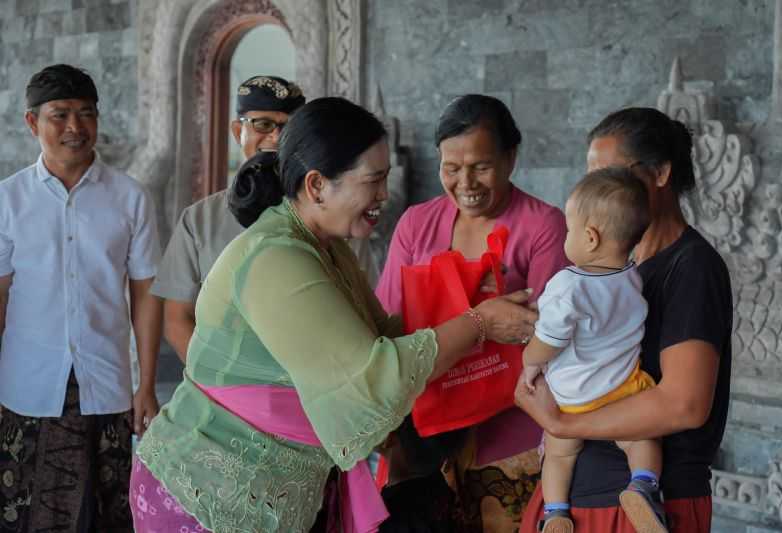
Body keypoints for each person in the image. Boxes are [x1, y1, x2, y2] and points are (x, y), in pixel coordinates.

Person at [129, 97, 538, 532]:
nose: (384, 195)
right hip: (207, 486)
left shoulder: (325, 245)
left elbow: (382, 332)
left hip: (278, 487)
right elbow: (372, 373)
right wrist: (479, 323)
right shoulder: (277, 256)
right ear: (318, 185)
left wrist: (464, 301)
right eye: (374, 180)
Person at [516, 107, 733, 533]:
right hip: (577, 494)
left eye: (610, 173)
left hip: (644, 501)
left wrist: (563, 423)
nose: (598, 190)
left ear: (661, 173)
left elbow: (684, 404)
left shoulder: (692, 267)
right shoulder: (623, 273)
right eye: (589, 177)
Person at [375, 94, 568, 531]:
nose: (466, 182)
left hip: (508, 436)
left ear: (511, 158)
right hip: (421, 434)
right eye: (451, 168)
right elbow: (389, 320)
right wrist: (485, 321)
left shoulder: (542, 226)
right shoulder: (415, 224)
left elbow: (552, 335)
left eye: (481, 166)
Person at [0, 64, 162, 532]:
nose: (75, 127)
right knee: (20, 512)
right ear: (33, 123)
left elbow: (146, 292)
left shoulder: (130, 198)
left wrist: (146, 382)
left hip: (106, 387)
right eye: (60, 114)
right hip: (25, 389)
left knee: (107, 513)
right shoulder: (9, 201)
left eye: (86, 114)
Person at [523, 168, 666, 533]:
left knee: (558, 455)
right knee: (642, 439)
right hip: (622, 394)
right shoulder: (632, 279)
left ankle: (555, 513)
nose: (566, 237)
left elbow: (549, 340)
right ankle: (643, 485)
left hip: (571, 399)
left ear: (589, 237)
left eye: (569, 229)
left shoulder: (568, 285)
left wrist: (530, 361)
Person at [150, 75, 305, 362]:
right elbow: (176, 319)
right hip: (221, 392)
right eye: (263, 124)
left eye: (289, 128)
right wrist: (217, 385)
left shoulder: (323, 214)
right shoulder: (199, 219)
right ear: (238, 131)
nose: (276, 137)